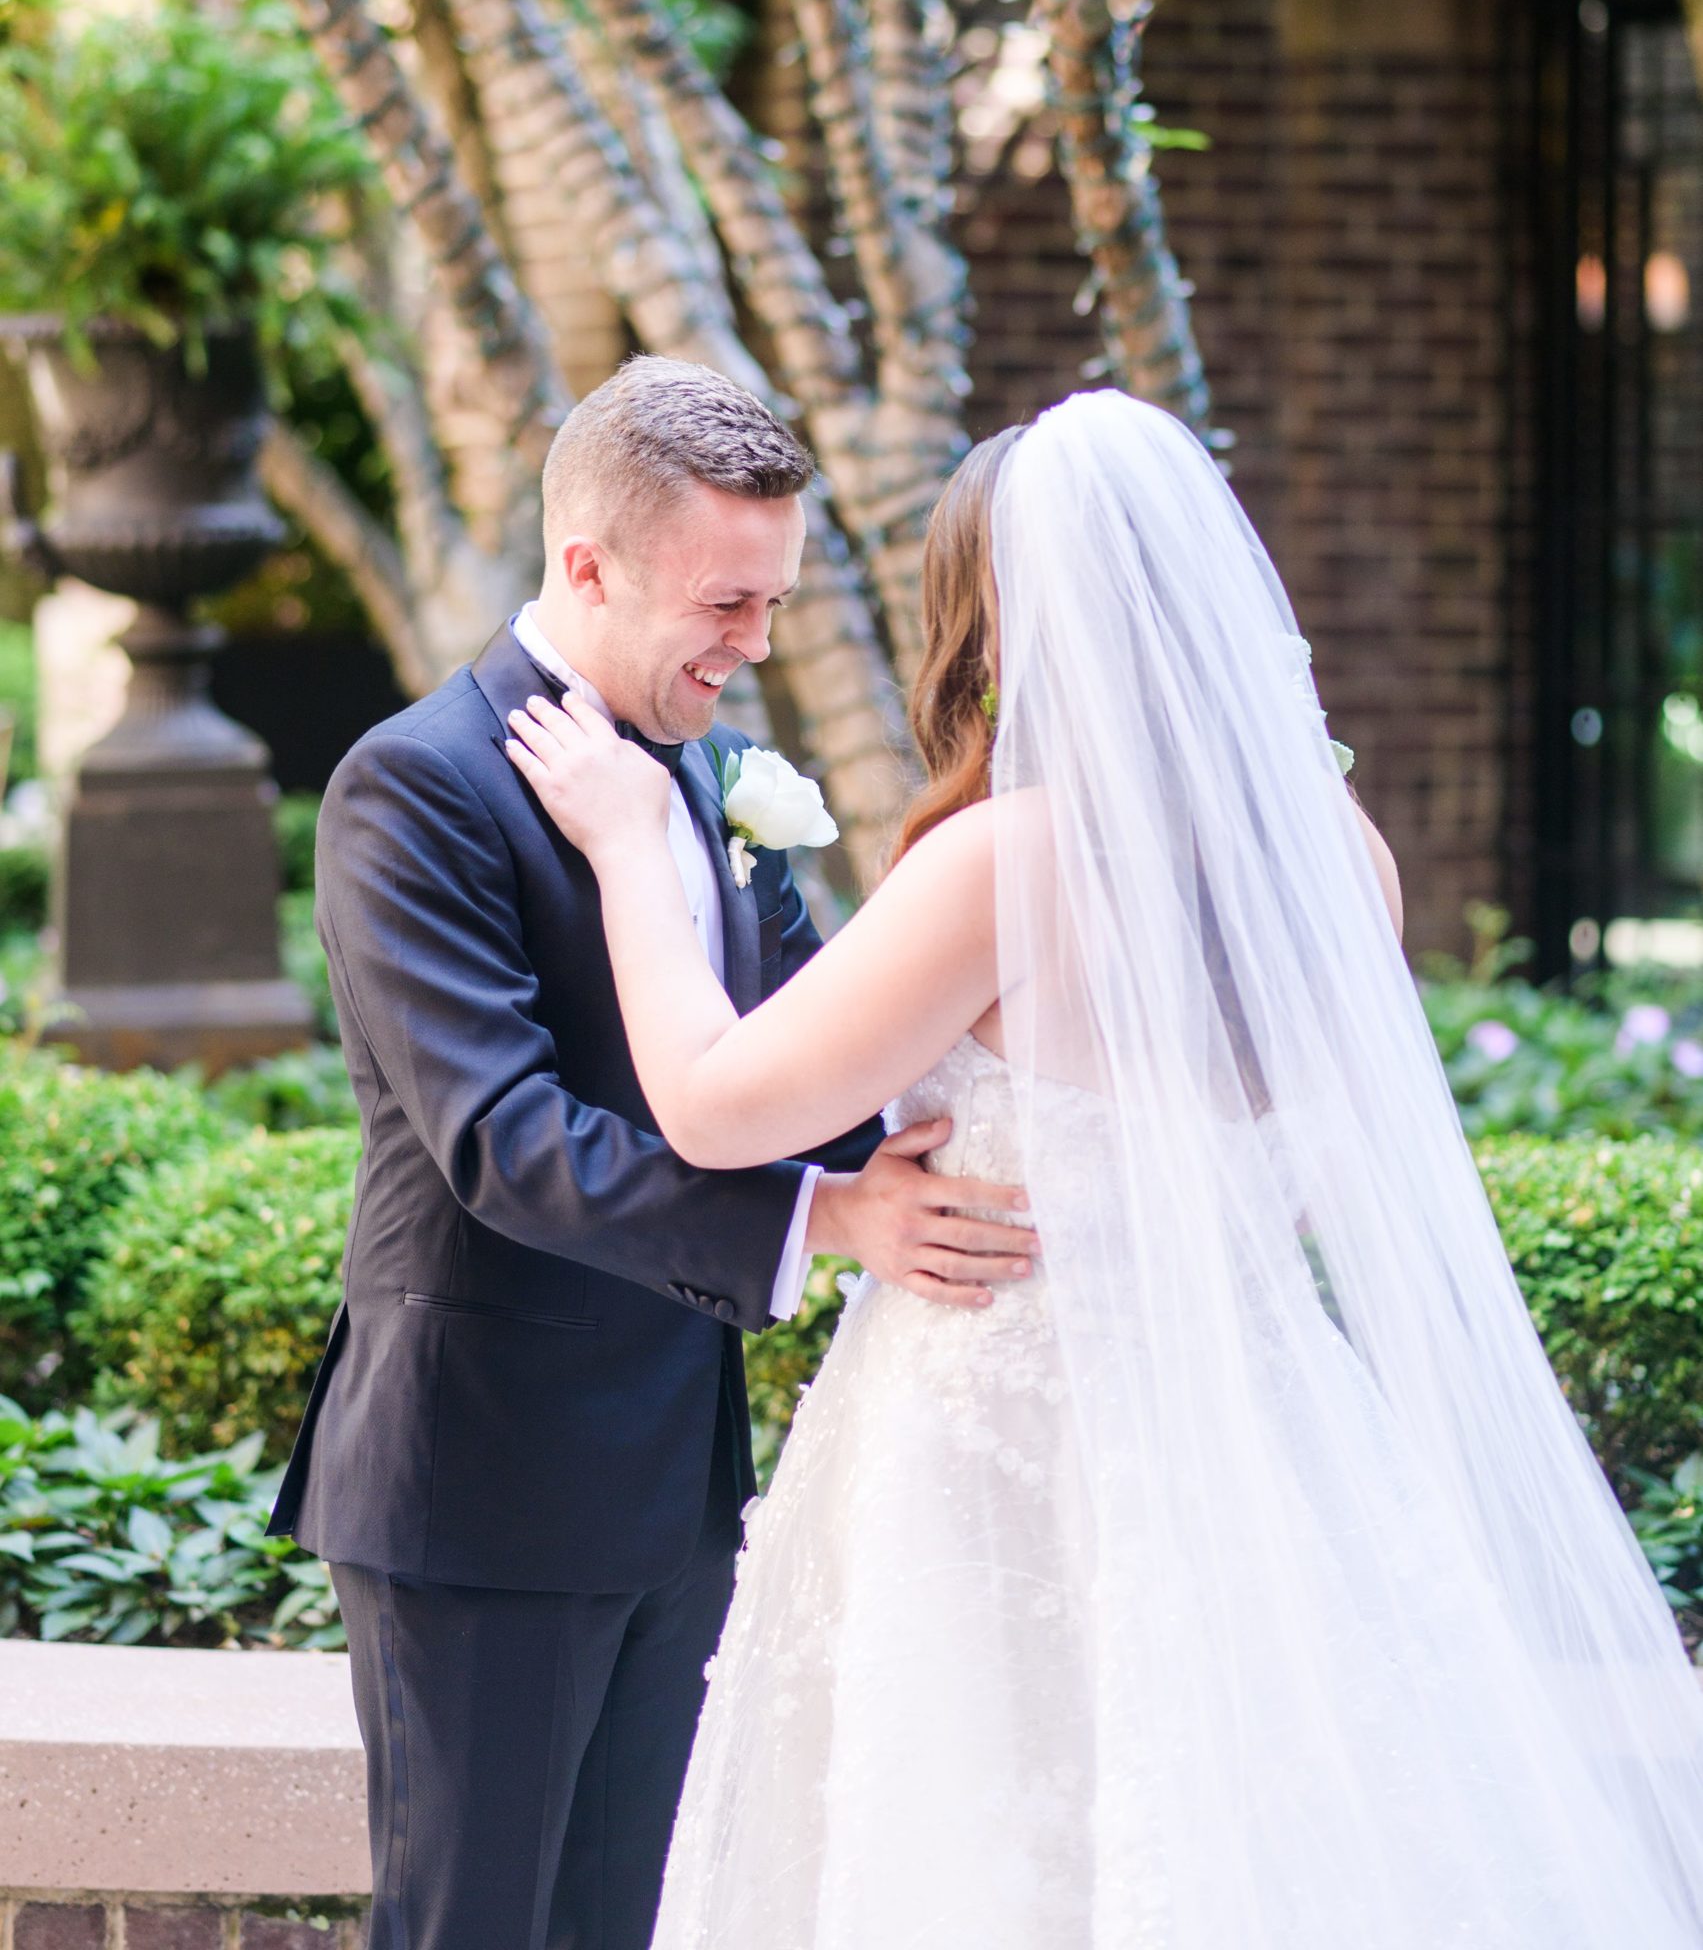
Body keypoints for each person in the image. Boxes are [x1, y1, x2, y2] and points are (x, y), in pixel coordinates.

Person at [507, 389, 1703, 1950]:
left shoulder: (1005, 862)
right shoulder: (1344, 860)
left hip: (989, 1458)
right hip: (1269, 1440)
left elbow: (718, 1107)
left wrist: (624, 854)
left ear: (994, 631)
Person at [270, 357, 1036, 1950]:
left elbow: (817, 1049)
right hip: (480, 1490)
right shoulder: (413, 789)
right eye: (726, 605)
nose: (753, 646)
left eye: (773, 603)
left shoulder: (706, 776)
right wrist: (824, 1223)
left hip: (677, 1488)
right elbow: (506, 1141)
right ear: (588, 566)